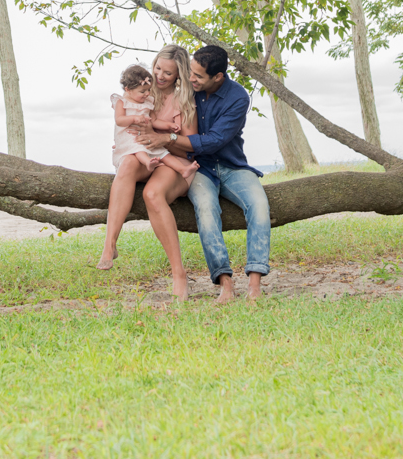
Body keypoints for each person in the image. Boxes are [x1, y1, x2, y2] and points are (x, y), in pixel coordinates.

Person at [133, 44, 271, 303]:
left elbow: (214, 140)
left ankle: (254, 284)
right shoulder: (187, 91)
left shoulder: (238, 98)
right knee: (206, 209)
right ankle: (225, 283)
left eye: (197, 76)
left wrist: (167, 138)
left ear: (217, 77)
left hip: (233, 165)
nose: (191, 78)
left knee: (259, 205)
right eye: (190, 73)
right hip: (201, 169)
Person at [95, 45, 199, 272]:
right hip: (145, 156)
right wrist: (128, 141)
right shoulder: (141, 90)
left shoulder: (183, 101)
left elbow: (191, 146)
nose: (160, 75)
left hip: (172, 158)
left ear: (179, 75)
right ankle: (109, 244)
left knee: (151, 193)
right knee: (128, 164)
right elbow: (124, 121)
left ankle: (178, 272)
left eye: (168, 73)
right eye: (158, 68)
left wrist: (162, 138)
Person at [109, 64, 199, 178]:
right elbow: (119, 121)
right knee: (139, 150)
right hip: (131, 138)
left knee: (164, 154)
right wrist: (134, 119)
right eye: (143, 91)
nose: (147, 94)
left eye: (148, 90)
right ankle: (148, 162)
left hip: (147, 138)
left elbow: (154, 120)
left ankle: (183, 169)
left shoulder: (147, 102)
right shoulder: (122, 102)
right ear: (128, 90)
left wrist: (168, 125)